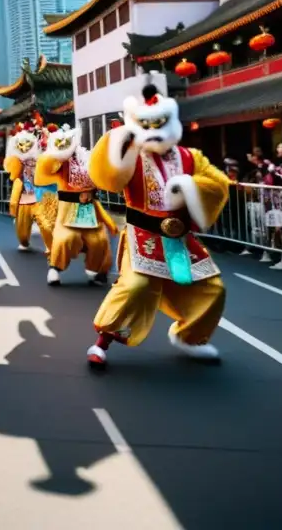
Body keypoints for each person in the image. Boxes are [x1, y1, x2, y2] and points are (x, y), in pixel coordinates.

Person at [85, 81, 230, 368]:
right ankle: (103, 342)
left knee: (213, 288)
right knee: (136, 286)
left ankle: (189, 337)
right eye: (145, 125)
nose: (153, 131)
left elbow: (218, 183)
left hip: (179, 237)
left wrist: (188, 186)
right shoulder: (131, 157)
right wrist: (117, 145)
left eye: (159, 123)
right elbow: (108, 177)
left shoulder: (190, 157)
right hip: (143, 235)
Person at [34, 124, 116, 286]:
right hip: (68, 208)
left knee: (99, 240)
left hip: (90, 207)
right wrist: (56, 155)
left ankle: (96, 270)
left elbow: (101, 174)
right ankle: (55, 268)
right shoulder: (59, 163)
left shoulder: (87, 157)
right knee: (65, 238)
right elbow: (43, 173)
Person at [2, 123, 55, 253]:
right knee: (22, 231)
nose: (24, 147)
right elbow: (10, 171)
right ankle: (24, 242)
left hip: (39, 197)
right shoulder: (16, 163)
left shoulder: (40, 160)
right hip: (24, 198)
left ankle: (52, 247)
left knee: (46, 225)